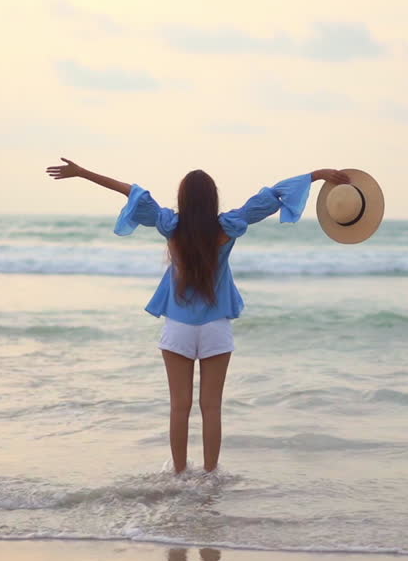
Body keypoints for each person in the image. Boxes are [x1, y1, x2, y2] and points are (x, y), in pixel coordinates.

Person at [45, 158, 351, 474]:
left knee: (179, 408)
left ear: (183, 198)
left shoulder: (170, 225)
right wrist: (313, 176)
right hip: (216, 328)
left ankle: (179, 475)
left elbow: (133, 193)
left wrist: (82, 173)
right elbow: (271, 197)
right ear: (212, 198)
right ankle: (210, 475)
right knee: (212, 408)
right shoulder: (228, 225)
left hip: (178, 328)